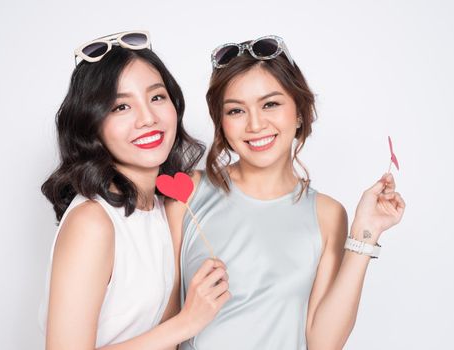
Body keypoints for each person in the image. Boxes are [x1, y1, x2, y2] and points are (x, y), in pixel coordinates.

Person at [165, 35, 405, 349]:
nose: (255, 124)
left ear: (300, 112)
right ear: (220, 123)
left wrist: (366, 233)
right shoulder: (187, 194)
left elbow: (323, 343)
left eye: (271, 104)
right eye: (236, 111)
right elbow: (165, 326)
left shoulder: (328, 215)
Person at [38, 31, 230, 350]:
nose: (148, 118)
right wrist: (188, 321)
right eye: (120, 107)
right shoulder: (93, 222)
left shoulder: (159, 207)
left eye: (156, 97)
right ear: (92, 125)